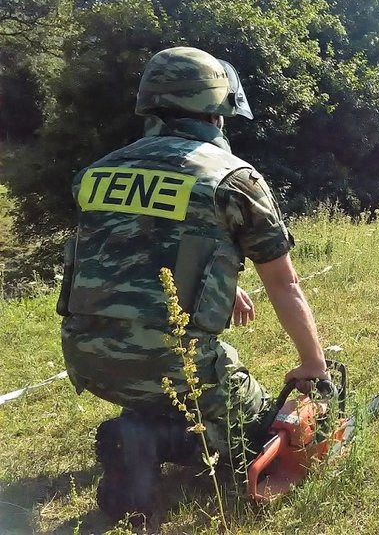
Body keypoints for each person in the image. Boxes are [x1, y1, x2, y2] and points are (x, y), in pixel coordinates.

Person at [57, 46, 328, 520]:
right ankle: (162, 442)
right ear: (216, 107)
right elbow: (285, 287)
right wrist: (313, 364)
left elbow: (136, 256)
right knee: (262, 427)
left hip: (89, 360)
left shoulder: (95, 174)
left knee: (154, 394)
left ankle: (137, 434)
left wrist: (224, 285)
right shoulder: (233, 180)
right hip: (175, 368)